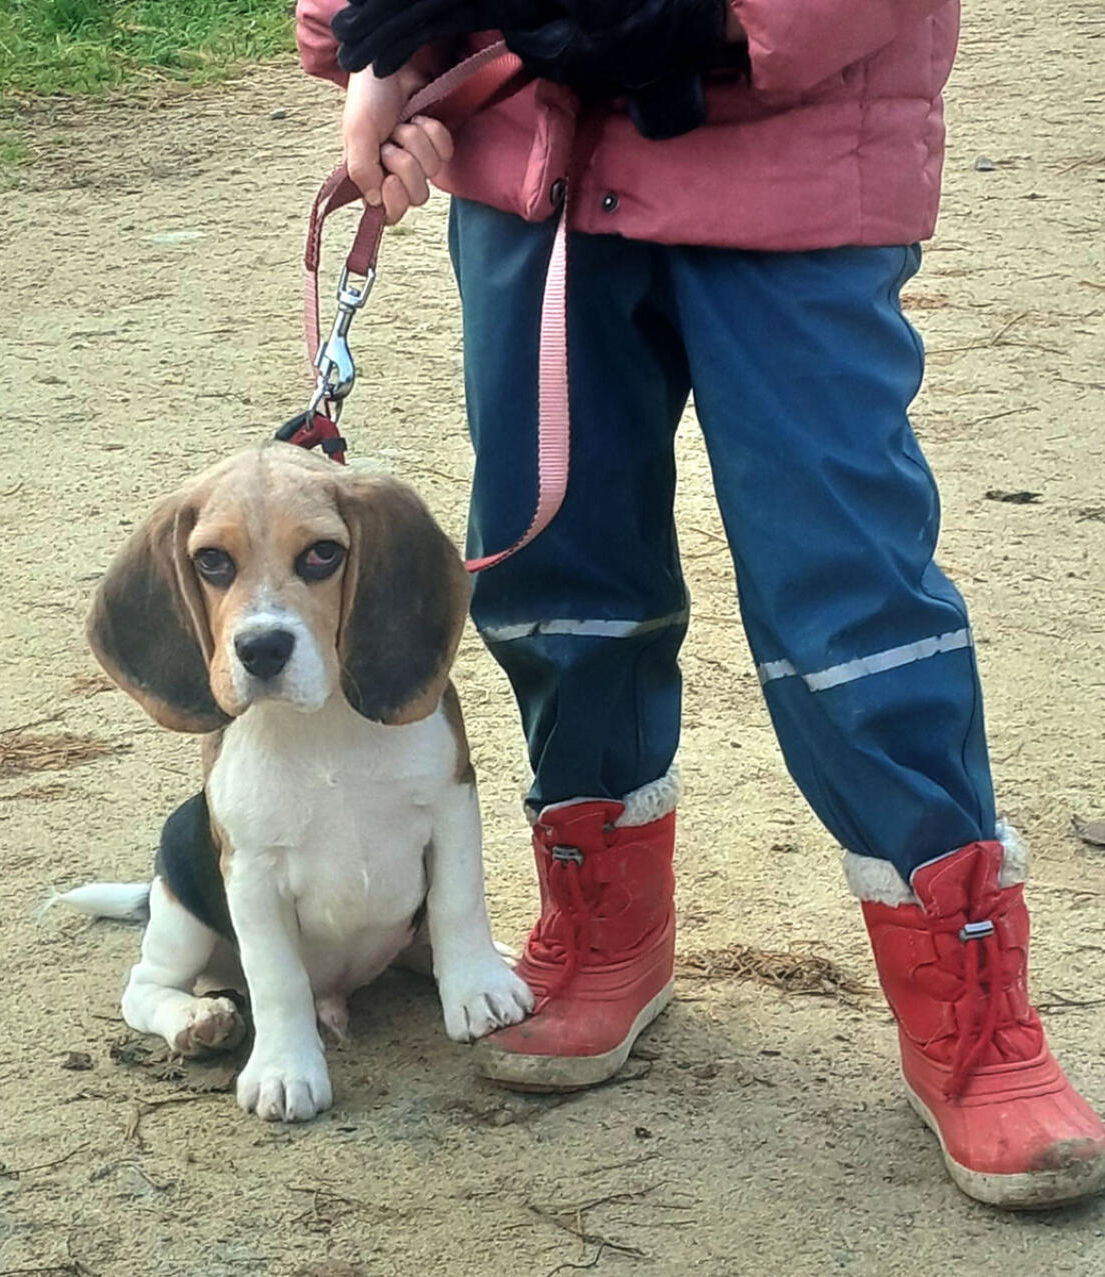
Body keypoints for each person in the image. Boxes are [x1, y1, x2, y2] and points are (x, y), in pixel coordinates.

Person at [293, 0, 1105, 1208]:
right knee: (551, 569)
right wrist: (382, 55)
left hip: (795, 150)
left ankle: (967, 986)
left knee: (851, 599)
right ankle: (604, 917)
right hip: (532, 155)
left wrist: (706, 16)